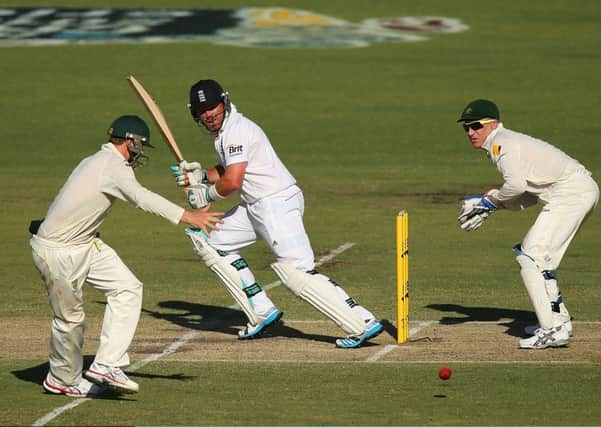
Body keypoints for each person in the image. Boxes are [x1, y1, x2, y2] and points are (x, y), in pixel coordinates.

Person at [171, 79, 383, 348]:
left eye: (213, 106)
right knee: (210, 240)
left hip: (275, 204)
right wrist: (200, 175)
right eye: (203, 110)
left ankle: (360, 321)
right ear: (196, 114)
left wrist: (205, 194)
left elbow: (233, 181)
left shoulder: (236, 130)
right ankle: (260, 310)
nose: (209, 113)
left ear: (223, 102)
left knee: (296, 272)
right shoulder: (225, 132)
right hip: (256, 207)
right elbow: (228, 171)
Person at [30, 115, 223, 397]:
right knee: (71, 319)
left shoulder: (100, 161)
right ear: (131, 141)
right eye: (140, 146)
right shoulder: (110, 166)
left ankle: (106, 364)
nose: (140, 152)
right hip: (59, 252)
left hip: (85, 244)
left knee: (127, 288)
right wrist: (187, 216)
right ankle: (62, 379)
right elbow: (141, 197)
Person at [456, 99, 599, 349]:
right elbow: (529, 194)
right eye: (466, 127)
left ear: (493, 124)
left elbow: (516, 187)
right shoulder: (502, 144)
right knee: (535, 256)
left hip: (571, 192)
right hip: (573, 191)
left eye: (476, 125)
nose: (470, 132)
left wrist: (491, 201)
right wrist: (496, 203)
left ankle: (552, 329)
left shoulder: (503, 144)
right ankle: (559, 321)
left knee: (531, 257)